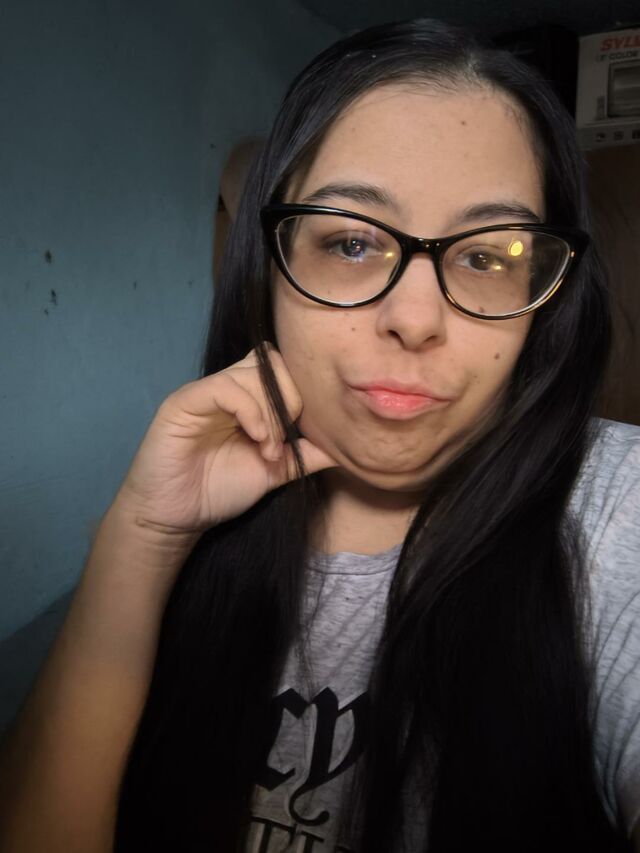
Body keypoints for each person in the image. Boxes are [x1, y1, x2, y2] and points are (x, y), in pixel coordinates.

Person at [1, 16, 639, 853]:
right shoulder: (203, 507)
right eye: (351, 241)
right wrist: (143, 536)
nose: (416, 317)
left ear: (544, 299)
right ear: (269, 267)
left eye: (488, 256)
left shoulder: (615, 508)